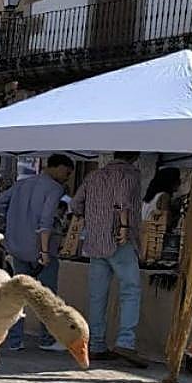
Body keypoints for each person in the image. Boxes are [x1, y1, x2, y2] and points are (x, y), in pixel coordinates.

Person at [70, 151, 146, 366]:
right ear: (135, 156)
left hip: (95, 241)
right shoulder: (130, 174)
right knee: (130, 291)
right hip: (120, 240)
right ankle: (126, 342)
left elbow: (76, 204)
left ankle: (96, 344)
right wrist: (122, 225)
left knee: (97, 296)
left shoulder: (94, 175)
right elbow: (122, 200)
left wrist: (94, 218)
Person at [0, 153, 75, 351]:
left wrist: (10, 224)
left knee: (18, 296)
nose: (68, 177)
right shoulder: (55, 188)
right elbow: (45, 222)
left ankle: (14, 340)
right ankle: (47, 339)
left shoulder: (22, 184)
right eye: (66, 172)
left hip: (17, 246)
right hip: (41, 250)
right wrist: (45, 252)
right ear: (55, 167)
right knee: (46, 298)